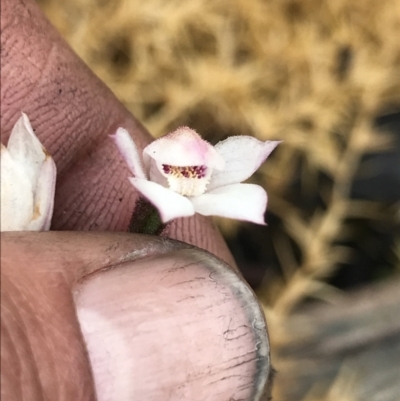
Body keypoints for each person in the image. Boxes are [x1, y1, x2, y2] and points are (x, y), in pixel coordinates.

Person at [1, 0, 271, 399]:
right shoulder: (147, 177)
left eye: (193, 170)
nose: (187, 169)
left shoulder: (225, 193)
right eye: (179, 168)